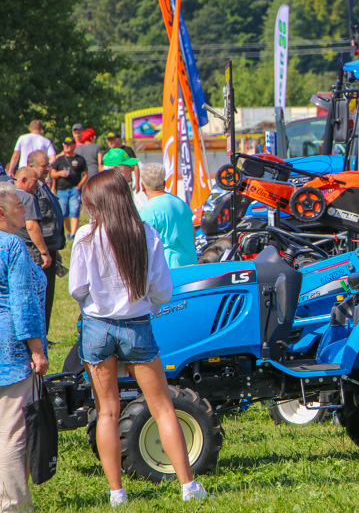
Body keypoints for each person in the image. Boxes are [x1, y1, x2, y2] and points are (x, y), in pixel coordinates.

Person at [68, 170, 207, 505]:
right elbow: (162, 291)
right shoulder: (144, 233)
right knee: (162, 408)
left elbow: (76, 289)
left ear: (97, 203)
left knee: (108, 412)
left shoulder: (86, 236)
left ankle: (117, 492)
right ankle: (188, 486)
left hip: (98, 328)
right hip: (137, 326)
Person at [0, 181, 49, 513]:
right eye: (19, 205)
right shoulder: (12, 247)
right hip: (10, 352)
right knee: (12, 434)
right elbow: (23, 302)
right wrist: (36, 349)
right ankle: (14, 505)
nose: (25, 210)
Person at [28, 151, 66, 333]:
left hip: (50, 247)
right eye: (44, 166)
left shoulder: (43, 186)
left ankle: (44, 334)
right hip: (40, 251)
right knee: (40, 294)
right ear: (31, 166)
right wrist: (44, 250)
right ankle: (39, 334)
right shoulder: (31, 193)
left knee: (48, 294)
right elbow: (35, 225)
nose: (48, 169)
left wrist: (55, 249)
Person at [138, 163, 196, 267]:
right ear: (164, 183)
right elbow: (193, 234)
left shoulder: (147, 211)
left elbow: (142, 246)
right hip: (190, 264)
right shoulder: (181, 203)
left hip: (167, 269)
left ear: (142, 186)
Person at [14, 168, 51, 271]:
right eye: (35, 181)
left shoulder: (6, 194)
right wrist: (44, 252)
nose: (38, 185)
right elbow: (31, 227)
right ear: (24, 180)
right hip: (28, 250)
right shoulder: (28, 198)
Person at [50, 137, 88, 239]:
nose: (66, 146)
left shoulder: (80, 159)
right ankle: (68, 232)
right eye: (65, 144)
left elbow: (85, 174)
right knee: (64, 213)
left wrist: (79, 186)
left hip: (74, 189)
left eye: (69, 144)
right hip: (61, 190)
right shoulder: (59, 159)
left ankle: (73, 234)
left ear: (74, 146)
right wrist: (60, 173)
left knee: (74, 212)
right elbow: (52, 174)